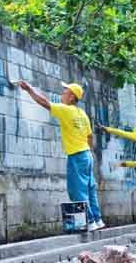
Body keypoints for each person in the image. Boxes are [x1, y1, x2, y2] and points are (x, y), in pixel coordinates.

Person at [17, 81, 105, 231]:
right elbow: (90, 136)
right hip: (86, 155)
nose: (62, 94)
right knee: (90, 189)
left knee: (77, 190)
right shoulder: (82, 113)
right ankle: (97, 219)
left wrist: (29, 89)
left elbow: (44, 103)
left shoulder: (66, 110)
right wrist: (89, 152)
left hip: (77, 156)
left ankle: (89, 221)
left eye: (65, 92)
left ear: (71, 97)